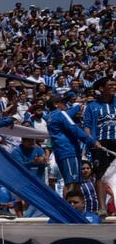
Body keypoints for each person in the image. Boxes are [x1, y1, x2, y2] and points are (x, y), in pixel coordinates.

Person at [47, 93, 96, 192]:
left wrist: (79, 105)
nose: (65, 104)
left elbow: (68, 114)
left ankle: (72, 206)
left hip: (61, 151)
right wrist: (91, 141)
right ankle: (69, 207)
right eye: (63, 102)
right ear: (56, 104)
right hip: (68, 150)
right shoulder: (60, 114)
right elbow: (74, 129)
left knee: (73, 182)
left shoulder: (51, 116)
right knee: (72, 184)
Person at [83, 76, 116, 213]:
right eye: (110, 85)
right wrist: (92, 141)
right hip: (101, 143)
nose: (114, 87)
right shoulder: (92, 106)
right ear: (101, 88)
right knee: (101, 174)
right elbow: (87, 127)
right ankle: (102, 208)